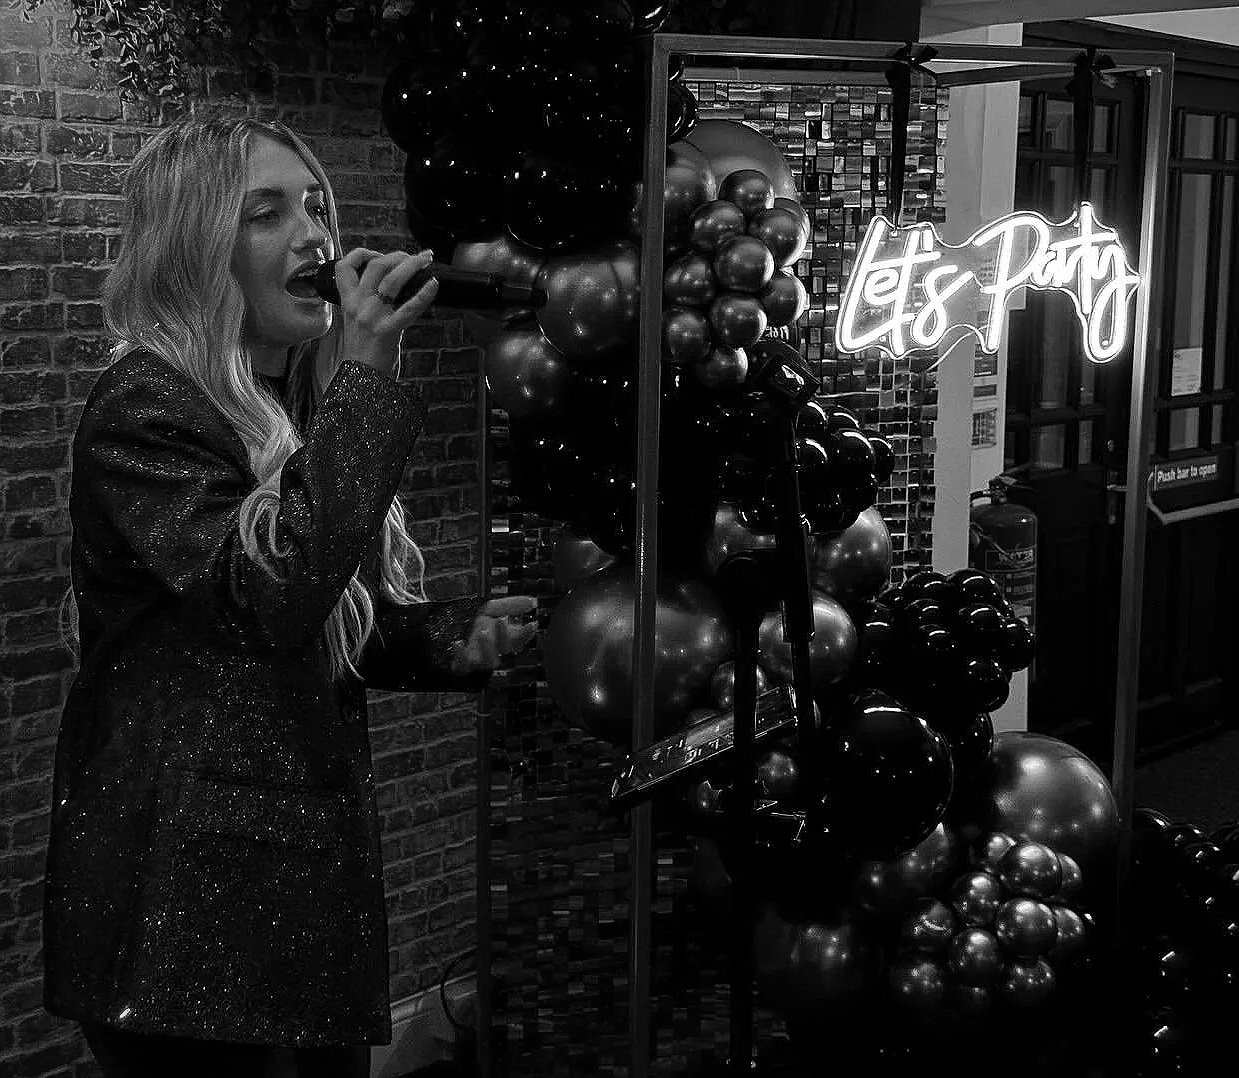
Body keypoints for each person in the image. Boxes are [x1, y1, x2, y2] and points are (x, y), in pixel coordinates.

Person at [42, 115, 537, 1078]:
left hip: (300, 885)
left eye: (316, 206)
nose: (315, 238)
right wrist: (366, 376)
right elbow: (263, 598)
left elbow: (309, 617)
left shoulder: (292, 408)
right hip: (187, 907)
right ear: (192, 248)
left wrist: (446, 638)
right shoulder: (145, 410)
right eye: (264, 213)